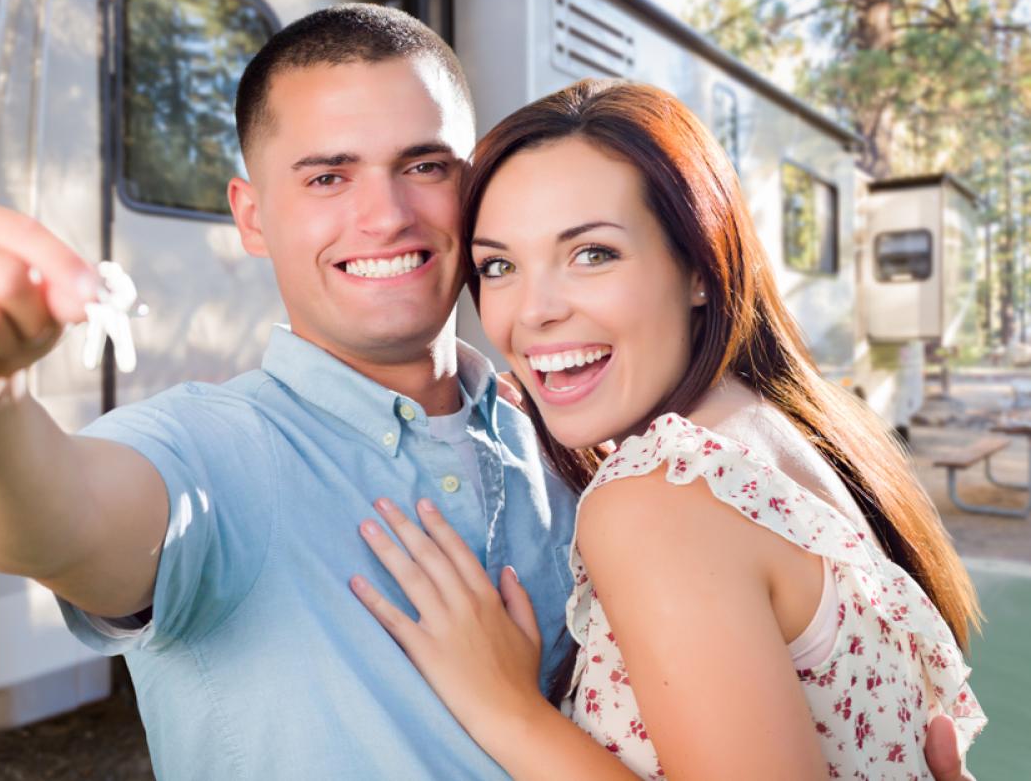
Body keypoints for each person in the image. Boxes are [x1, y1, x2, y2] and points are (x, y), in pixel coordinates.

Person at [0, 3, 971, 779]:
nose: (386, 217)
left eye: (424, 165)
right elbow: (53, 515)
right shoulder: (218, 447)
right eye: (325, 177)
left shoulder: (569, 428)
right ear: (252, 215)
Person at [352, 79, 986, 780]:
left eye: (592, 253)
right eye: (499, 265)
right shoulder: (788, 429)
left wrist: (506, 708)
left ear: (700, 268)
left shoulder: (662, 496)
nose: (532, 312)